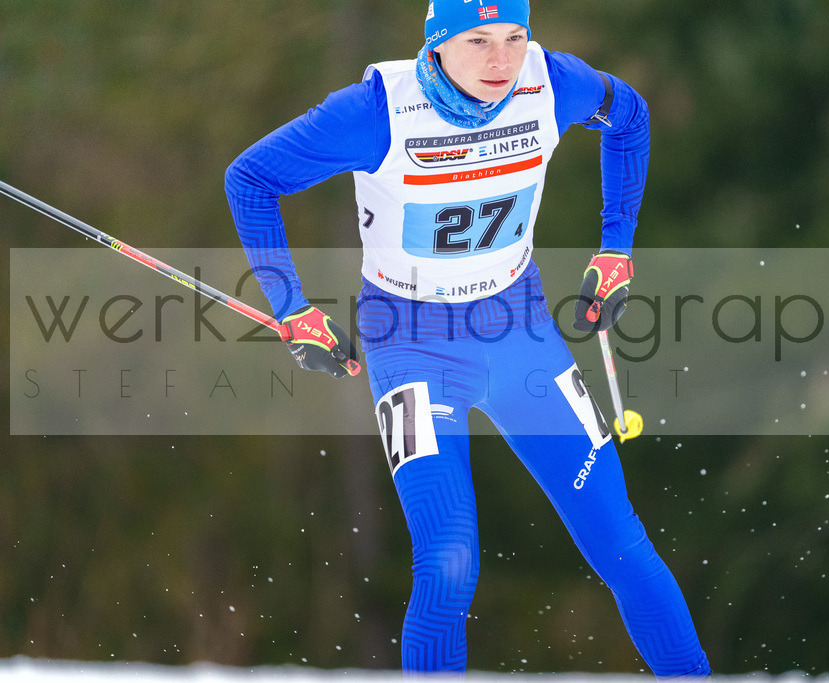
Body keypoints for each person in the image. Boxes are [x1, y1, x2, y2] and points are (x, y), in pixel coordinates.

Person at [225, 0, 710, 676]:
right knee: (450, 562)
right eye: (478, 40)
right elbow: (250, 178)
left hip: (521, 332)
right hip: (411, 343)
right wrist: (291, 305)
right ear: (437, 44)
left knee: (622, 541)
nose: (501, 61)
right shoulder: (377, 110)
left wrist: (616, 247)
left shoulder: (550, 83)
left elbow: (628, 115)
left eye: (516, 37)